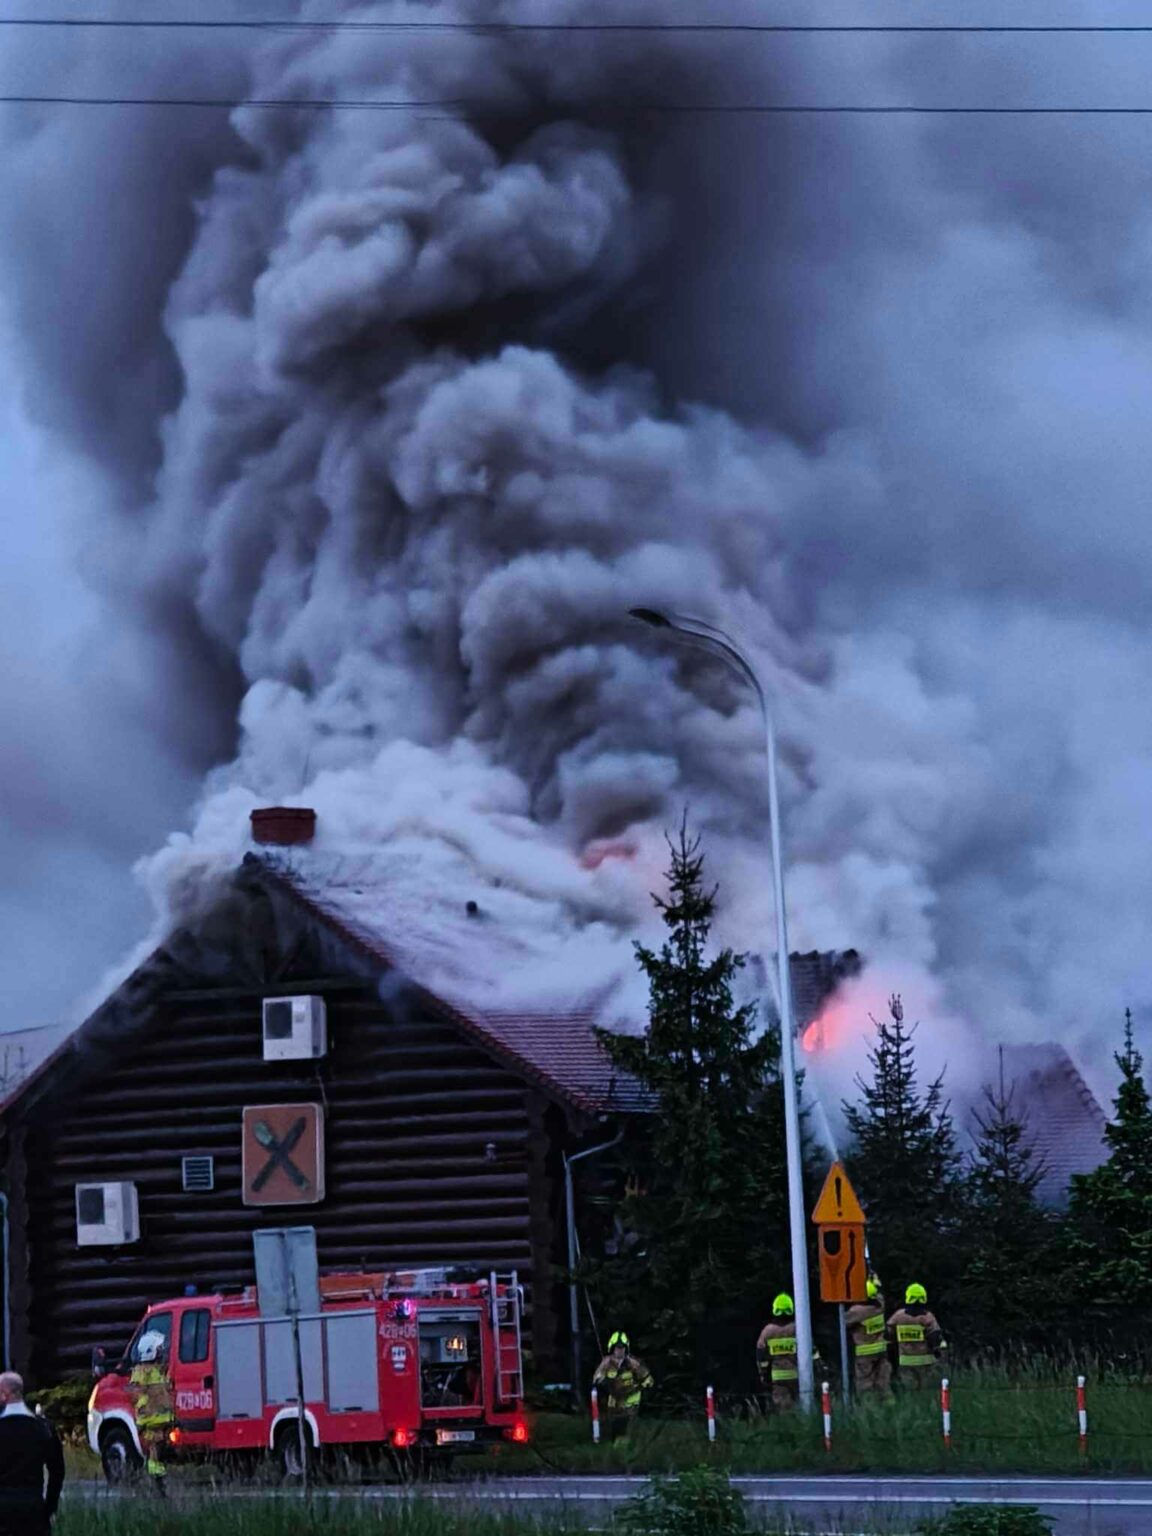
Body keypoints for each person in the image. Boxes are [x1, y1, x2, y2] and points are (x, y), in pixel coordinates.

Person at [0, 1372, 65, 1535]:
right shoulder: (43, 1428)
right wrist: (50, 1506)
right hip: (34, 1505)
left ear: (3, 1394)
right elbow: (57, 1471)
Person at [129, 1329, 173, 1483]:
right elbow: (141, 1395)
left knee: (160, 1450)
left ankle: (158, 1477)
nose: (163, 1353)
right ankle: (157, 1480)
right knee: (155, 1449)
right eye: (159, 1349)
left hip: (159, 1419)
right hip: (151, 1420)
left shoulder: (155, 1371)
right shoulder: (143, 1372)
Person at [592, 1331, 654, 1439]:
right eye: (617, 1347)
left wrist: (636, 1388)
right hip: (614, 1406)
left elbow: (649, 1380)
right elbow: (596, 1378)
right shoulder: (607, 1362)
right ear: (612, 1347)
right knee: (613, 1433)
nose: (620, 1350)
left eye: (622, 1347)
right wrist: (602, 1381)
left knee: (626, 1435)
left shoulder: (633, 1363)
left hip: (630, 1405)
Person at [887, 1283, 945, 1390]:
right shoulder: (928, 1317)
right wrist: (938, 1352)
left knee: (910, 1391)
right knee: (925, 1392)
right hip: (925, 1362)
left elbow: (888, 1334)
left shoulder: (898, 1316)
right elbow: (935, 1337)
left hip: (905, 1361)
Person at [845, 1277, 891, 1397]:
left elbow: (843, 1323)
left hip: (865, 1353)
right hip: (881, 1350)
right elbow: (879, 1295)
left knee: (865, 1384)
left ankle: (868, 1405)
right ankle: (888, 1404)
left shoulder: (857, 1311)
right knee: (883, 1381)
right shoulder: (880, 1305)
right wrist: (875, 1281)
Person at [756, 1293, 803, 1411]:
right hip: (798, 1377)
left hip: (778, 1379)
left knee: (783, 1410)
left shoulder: (768, 1331)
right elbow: (812, 1352)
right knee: (799, 1409)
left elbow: (761, 1357)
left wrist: (763, 1376)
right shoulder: (798, 1328)